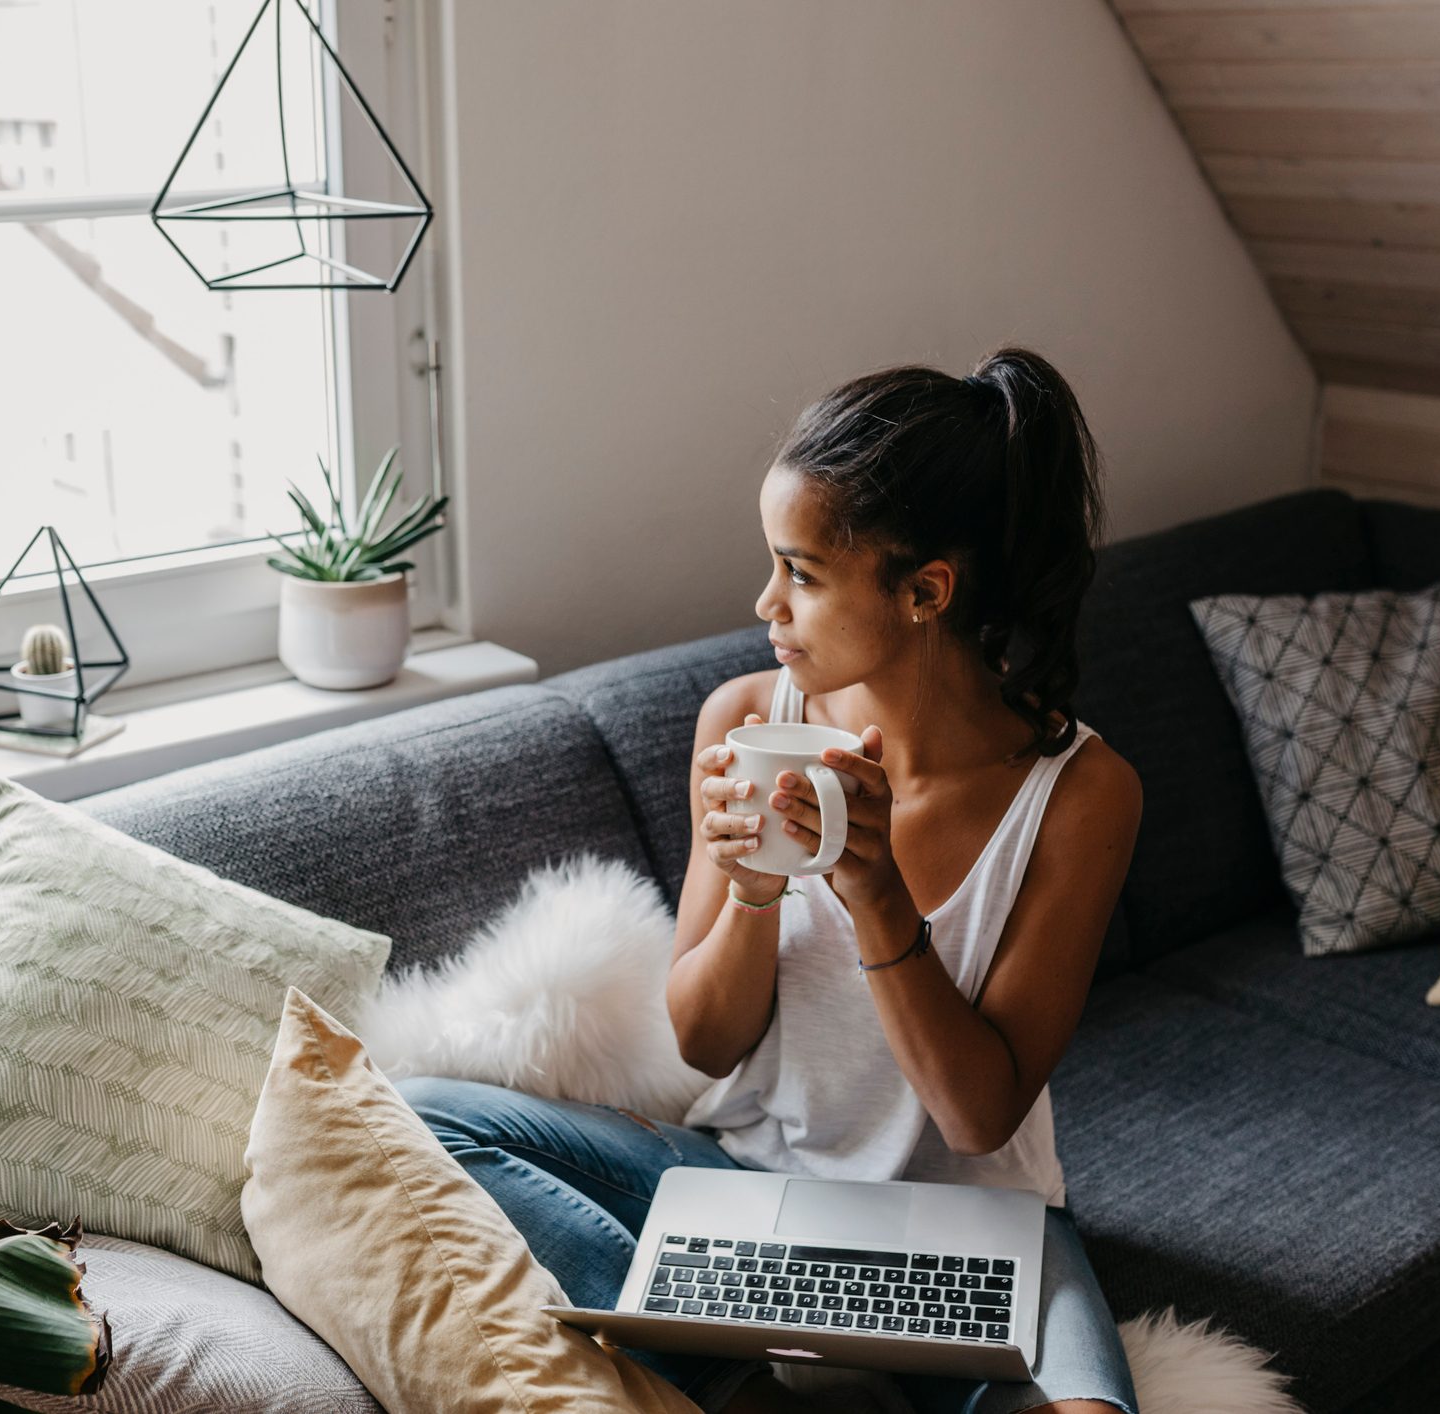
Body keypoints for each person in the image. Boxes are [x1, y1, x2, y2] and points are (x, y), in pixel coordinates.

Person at [400, 349, 1144, 1414]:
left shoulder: (1081, 794)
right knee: (430, 1113)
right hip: (754, 1194)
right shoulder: (750, 723)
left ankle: (775, 1374)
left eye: (801, 571)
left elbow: (979, 1115)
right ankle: (739, 1364)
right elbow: (703, 1042)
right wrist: (751, 892)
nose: (765, 602)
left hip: (972, 1227)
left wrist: (876, 892)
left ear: (926, 590)